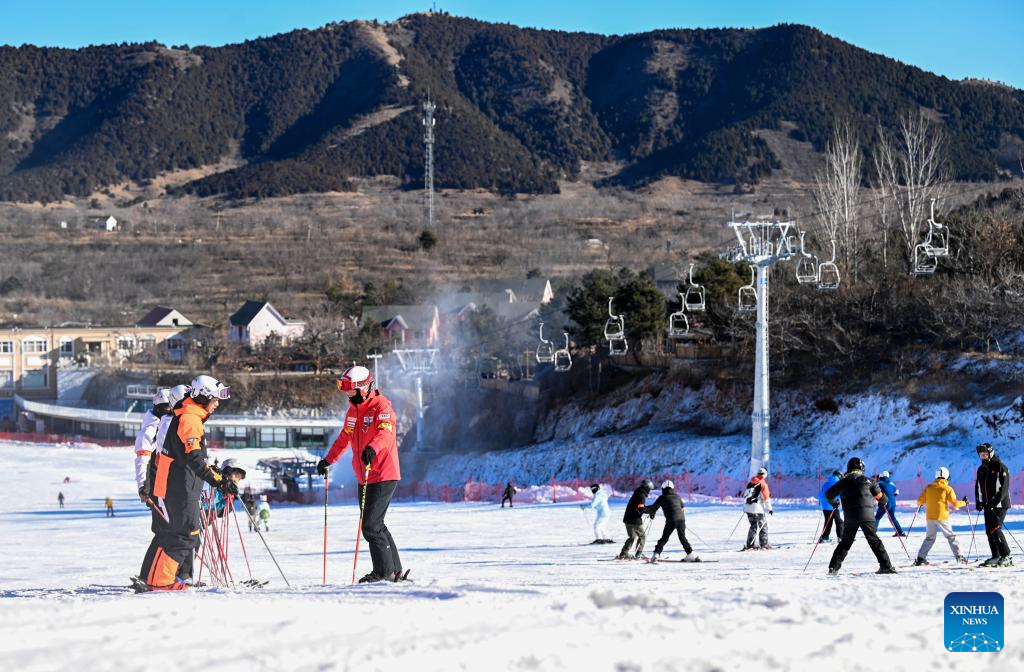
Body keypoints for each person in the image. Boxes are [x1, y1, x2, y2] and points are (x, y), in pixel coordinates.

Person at [136, 375, 234, 592]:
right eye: (215, 399)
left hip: (177, 484)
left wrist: (213, 473)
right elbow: (194, 458)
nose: (217, 404)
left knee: (172, 533)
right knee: (185, 534)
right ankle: (160, 583)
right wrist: (218, 481)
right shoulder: (190, 418)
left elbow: (190, 456)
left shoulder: (188, 414)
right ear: (203, 398)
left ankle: (151, 579)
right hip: (179, 487)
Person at [316, 365, 404, 583]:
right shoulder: (353, 410)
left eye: (351, 389)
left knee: (371, 526)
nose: (347, 393)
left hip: (383, 471)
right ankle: (395, 570)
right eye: (344, 389)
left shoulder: (380, 406)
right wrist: (328, 460)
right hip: (363, 474)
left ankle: (384, 572)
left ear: (364, 388)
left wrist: (373, 448)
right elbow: (344, 437)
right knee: (376, 524)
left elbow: (385, 431)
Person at [825, 457, 896, 575]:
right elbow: (881, 497)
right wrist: (882, 502)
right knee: (874, 540)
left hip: (850, 517)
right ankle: (886, 566)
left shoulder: (843, 482)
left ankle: (833, 568)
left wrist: (835, 503)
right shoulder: (869, 481)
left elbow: (828, 495)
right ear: (862, 468)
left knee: (845, 542)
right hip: (867, 517)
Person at [914, 467, 967, 565]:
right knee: (951, 537)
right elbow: (955, 504)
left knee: (929, 538)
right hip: (942, 517)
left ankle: (920, 558)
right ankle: (960, 557)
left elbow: (919, 501)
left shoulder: (929, 487)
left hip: (930, 517)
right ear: (946, 477)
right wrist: (964, 503)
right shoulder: (947, 489)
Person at [974, 442, 1012, 567]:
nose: (983, 457)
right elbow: (979, 487)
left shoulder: (1000, 466)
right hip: (987, 505)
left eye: (985, 454)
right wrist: (979, 502)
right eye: (981, 455)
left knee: (995, 528)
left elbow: (1004, 488)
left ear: (990, 453)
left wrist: (994, 502)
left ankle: (1006, 556)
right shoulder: (981, 469)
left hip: (1000, 504)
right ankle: (996, 556)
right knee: (989, 531)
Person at [134, 389, 172, 503]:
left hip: (171, 483)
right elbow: (142, 459)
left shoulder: (166, 424)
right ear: (159, 408)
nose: (171, 410)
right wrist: (143, 486)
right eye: (167, 407)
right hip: (157, 486)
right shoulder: (150, 430)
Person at [647, 480, 698, 562]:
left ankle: (656, 555)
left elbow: (653, 508)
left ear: (663, 488)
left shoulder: (662, 497)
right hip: (681, 519)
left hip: (671, 520)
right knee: (682, 538)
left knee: (664, 538)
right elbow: (682, 507)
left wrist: (648, 511)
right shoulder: (677, 496)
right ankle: (691, 554)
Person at [617, 479, 652, 560]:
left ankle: (624, 553)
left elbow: (640, 507)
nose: (650, 490)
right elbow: (641, 508)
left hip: (627, 518)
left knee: (632, 537)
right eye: (649, 489)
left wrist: (649, 509)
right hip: (634, 519)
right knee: (642, 536)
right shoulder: (641, 495)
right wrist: (650, 511)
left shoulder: (638, 493)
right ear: (647, 488)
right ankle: (639, 553)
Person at [742, 467, 773, 550]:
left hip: (747, 507)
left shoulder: (751, 482)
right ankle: (764, 544)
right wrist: (770, 509)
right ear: (765, 474)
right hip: (758, 508)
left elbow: (745, 495)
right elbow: (766, 499)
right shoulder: (763, 483)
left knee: (753, 526)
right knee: (763, 526)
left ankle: (750, 545)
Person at [874, 471, 905, 536]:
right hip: (893, 503)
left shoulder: (879, 483)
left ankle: (872, 533)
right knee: (892, 517)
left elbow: (874, 491)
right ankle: (900, 532)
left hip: (884, 502)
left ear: (881, 476)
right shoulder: (892, 484)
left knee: (877, 517)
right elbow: (896, 493)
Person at [817, 469, 844, 542]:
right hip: (832, 504)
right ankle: (841, 537)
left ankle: (824, 538)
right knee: (839, 521)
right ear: (839, 476)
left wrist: (823, 503)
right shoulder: (837, 483)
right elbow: (839, 493)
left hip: (825, 505)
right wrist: (838, 501)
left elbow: (820, 494)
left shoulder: (826, 483)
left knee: (828, 521)